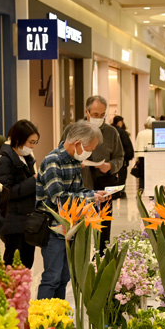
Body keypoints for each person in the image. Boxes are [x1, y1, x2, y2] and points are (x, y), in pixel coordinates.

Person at [36, 122, 109, 299]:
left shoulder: (74, 161)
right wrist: (90, 197)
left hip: (70, 227)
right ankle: (42, 315)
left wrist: (94, 194)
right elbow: (59, 199)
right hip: (53, 228)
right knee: (52, 277)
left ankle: (59, 313)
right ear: (78, 144)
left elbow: (78, 190)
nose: (90, 153)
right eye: (90, 149)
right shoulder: (53, 161)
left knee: (64, 277)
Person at [79, 95, 124, 252]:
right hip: (81, 185)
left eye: (102, 115)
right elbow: (63, 154)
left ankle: (102, 256)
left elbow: (120, 157)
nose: (98, 118)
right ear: (87, 111)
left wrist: (110, 166)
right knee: (81, 226)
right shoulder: (75, 130)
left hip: (104, 184)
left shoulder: (111, 132)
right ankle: (80, 259)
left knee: (103, 226)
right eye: (95, 114)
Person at [0, 119, 39, 268]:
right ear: (19, 139)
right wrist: (33, 181)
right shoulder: (5, 161)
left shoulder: (26, 158)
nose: (32, 146)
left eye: (35, 143)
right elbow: (7, 192)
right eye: (31, 142)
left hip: (27, 220)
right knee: (13, 266)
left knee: (27, 264)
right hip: (13, 222)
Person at [112, 115, 135, 195]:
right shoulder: (122, 132)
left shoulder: (110, 131)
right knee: (122, 175)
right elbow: (127, 145)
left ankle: (113, 191)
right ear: (120, 122)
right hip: (122, 158)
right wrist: (129, 156)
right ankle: (121, 191)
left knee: (113, 174)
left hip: (111, 158)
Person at [133, 117, 155, 191]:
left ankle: (141, 189)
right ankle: (151, 191)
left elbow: (137, 145)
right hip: (152, 156)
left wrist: (136, 158)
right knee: (151, 174)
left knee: (142, 175)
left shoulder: (140, 133)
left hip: (141, 156)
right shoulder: (154, 133)